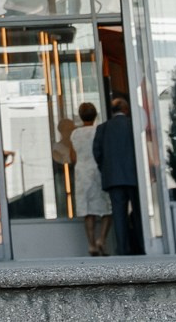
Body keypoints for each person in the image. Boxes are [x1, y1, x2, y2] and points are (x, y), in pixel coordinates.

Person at [92, 93, 143, 256]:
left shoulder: (103, 128)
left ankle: (123, 249)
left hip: (113, 178)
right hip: (135, 176)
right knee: (138, 213)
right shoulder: (133, 125)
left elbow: (97, 152)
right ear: (126, 109)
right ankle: (142, 246)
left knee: (119, 215)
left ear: (112, 111)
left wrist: (106, 169)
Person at [55, 103, 108, 256]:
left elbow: (72, 157)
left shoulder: (75, 134)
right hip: (98, 170)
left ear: (80, 116)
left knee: (87, 211)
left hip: (82, 173)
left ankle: (91, 244)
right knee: (107, 209)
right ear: (95, 115)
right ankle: (102, 239)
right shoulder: (99, 130)